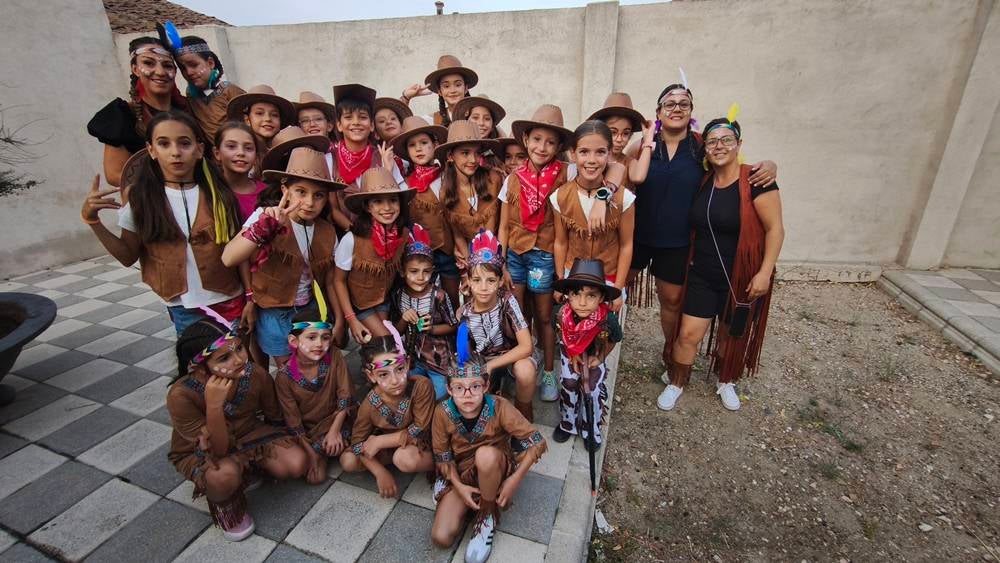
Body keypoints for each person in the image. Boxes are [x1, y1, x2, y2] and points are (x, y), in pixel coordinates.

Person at [628, 82, 777, 379]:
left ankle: (670, 351)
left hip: (677, 241)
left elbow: (732, 165)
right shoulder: (644, 144)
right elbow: (618, 164)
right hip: (636, 237)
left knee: (670, 301)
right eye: (669, 103)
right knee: (612, 289)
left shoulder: (701, 146)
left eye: (684, 104)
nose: (677, 108)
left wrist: (770, 165)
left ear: (691, 111)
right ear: (658, 112)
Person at [658, 111, 784, 412]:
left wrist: (764, 273)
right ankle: (677, 381)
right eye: (712, 141)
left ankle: (726, 380)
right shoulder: (703, 183)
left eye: (726, 140)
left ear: (738, 144)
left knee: (730, 335)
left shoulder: (756, 181)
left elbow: (775, 229)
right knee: (688, 335)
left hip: (741, 275)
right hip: (702, 273)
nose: (718, 146)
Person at [81, 111, 244, 336]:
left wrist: (251, 298)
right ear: (151, 150)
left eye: (184, 143)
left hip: (229, 298)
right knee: (200, 365)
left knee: (237, 360)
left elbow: (241, 251)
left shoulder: (220, 195)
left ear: (199, 150)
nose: (175, 152)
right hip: (182, 305)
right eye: (164, 144)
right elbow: (127, 255)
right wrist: (92, 220)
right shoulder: (142, 200)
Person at [168, 319, 308, 541]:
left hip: (249, 433)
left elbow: (274, 417)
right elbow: (218, 450)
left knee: (295, 464)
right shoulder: (181, 396)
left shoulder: (255, 373)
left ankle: (247, 470)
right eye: (224, 358)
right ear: (200, 369)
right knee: (223, 475)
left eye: (240, 348)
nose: (239, 360)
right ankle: (229, 507)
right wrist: (214, 406)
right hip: (205, 451)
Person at [221, 146, 346, 369]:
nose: (309, 202)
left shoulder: (327, 231)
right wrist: (262, 229)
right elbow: (229, 258)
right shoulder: (265, 217)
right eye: (301, 192)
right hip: (273, 309)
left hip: (309, 308)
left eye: (318, 196)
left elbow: (328, 280)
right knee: (288, 368)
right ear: (284, 190)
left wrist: (338, 318)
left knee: (312, 365)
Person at [430, 350, 547, 562]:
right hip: (464, 471)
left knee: (485, 456)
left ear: (486, 386)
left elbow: (538, 442)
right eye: (459, 387)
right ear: (449, 389)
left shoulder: (499, 406)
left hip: (494, 463)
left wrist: (514, 479)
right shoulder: (442, 412)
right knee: (441, 537)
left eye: (475, 386)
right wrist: (459, 486)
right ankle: (466, 494)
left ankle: (487, 515)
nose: (467, 394)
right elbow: (442, 457)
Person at [500, 104, 573, 403]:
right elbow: (504, 226)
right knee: (518, 314)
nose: (542, 147)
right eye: (537, 139)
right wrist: (499, 262)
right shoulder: (513, 177)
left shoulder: (568, 174)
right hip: (515, 254)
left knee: (544, 316)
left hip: (544, 254)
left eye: (551, 142)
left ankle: (548, 372)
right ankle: (524, 362)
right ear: (526, 139)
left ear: (558, 147)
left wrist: (562, 272)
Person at [341, 328, 436, 498]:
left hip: (419, 442)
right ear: (371, 376)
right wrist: (379, 472)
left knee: (404, 459)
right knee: (348, 461)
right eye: (383, 374)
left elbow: (421, 427)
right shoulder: (370, 403)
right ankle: (388, 464)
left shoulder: (421, 386)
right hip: (388, 448)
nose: (395, 380)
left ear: (407, 364)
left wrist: (381, 441)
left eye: (399, 369)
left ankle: (438, 466)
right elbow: (357, 442)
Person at [552, 120, 633, 310]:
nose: (591, 160)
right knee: (572, 332)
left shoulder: (624, 198)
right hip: (573, 276)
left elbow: (626, 245)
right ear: (573, 154)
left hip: (609, 278)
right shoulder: (561, 196)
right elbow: (561, 242)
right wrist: (560, 279)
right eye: (584, 152)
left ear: (609, 154)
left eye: (600, 152)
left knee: (607, 332)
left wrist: (618, 289)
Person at [87, 37, 188, 187]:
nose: (160, 72)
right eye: (148, 63)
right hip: (149, 205)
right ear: (135, 69)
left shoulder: (189, 110)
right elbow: (116, 174)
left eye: (167, 65)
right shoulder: (122, 115)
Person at [456, 230, 534, 421]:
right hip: (482, 361)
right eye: (477, 280)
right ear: (468, 282)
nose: (483, 287)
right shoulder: (465, 314)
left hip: (511, 356)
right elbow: (464, 356)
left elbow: (526, 346)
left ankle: (523, 415)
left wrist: (490, 365)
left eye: (490, 280)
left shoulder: (507, 301)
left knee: (526, 370)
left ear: (500, 282)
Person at [333, 167, 413, 343]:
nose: (387, 208)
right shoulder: (352, 239)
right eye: (377, 201)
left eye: (393, 200)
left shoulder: (404, 235)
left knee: (376, 345)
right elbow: (338, 280)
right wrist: (351, 319)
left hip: (383, 300)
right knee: (386, 340)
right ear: (368, 207)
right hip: (359, 305)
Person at [275, 309, 355, 484]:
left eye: (325, 337)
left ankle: (332, 445)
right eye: (311, 337)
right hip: (311, 431)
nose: (319, 344)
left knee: (351, 452)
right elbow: (293, 420)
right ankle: (322, 451)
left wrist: (334, 432)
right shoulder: (285, 376)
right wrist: (311, 455)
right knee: (315, 478)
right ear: (294, 341)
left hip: (338, 420)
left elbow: (345, 394)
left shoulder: (333, 355)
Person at [552, 259, 623, 447]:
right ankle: (568, 421)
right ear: (568, 295)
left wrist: (600, 358)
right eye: (576, 294)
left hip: (594, 355)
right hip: (569, 352)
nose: (582, 302)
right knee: (568, 382)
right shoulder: (561, 314)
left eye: (591, 296)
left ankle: (591, 427)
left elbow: (614, 339)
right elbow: (558, 331)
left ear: (601, 298)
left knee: (591, 389)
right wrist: (572, 352)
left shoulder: (607, 319)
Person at [389, 116, 459, 306]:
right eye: (412, 145)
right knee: (422, 302)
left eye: (424, 143)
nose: (419, 148)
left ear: (435, 144)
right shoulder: (406, 183)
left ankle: (455, 335)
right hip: (420, 254)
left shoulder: (448, 175)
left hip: (449, 250)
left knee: (453, 302)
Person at [390, 224, 458, 400]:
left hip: (438, 361)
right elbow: (395, 332)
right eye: (413, 271)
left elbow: (454, 325)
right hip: (412, 359)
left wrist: (432, 329)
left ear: (433, 271)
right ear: (402, 271)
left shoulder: (439, 296)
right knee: (405, 392)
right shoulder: (399, 295)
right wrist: (404, 319)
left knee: (439, 394)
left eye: (426, 271)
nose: (420, 277)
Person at [156, 24, 245, 147]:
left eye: (193, 65)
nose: (189, 72)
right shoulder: (191, 96)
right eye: (183, 68)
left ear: (210, 63)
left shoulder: (229, 91)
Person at [436, 120, 504, 275]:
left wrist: (490, 264)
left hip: (497, 256)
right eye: (465, 153)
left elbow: (495, 228)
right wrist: (472, 266)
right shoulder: (446, 193)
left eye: (477, 153)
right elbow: (457, 234)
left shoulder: (493, 179)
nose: (473, 160)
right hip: (470, 259)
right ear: (450, 156)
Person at [327, 83, 384, 232]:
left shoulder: (383, 157)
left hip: (382, 231)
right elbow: (333, 208)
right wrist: (355, 233)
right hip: (345, 234)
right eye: (348, 117)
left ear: (371, 125)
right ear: (339, 125)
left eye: (363, 117)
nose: (356, 122)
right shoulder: (329, 159)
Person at [585, 92, 645, 188]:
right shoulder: (590, 159)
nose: (619, 139)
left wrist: (648, 140)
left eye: (625, 133)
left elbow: (638, 177)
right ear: (601, 131)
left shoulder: (630, 163)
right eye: (613, 132)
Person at [402, 54, 478, 126]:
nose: (452, 90)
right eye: (446, 86)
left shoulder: (479, 115)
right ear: (439, 91)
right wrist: (406, 97)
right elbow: (403, 127)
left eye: (458, 85)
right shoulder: (432, 120)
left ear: (466, 88)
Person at [213, 122, 264, 221]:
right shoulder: (209, 191)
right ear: (217, 153)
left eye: (248, 148)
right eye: (231, 146)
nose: (241, 153)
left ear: (256, 157)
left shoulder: (266, 193)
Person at [226, 84, 296, 150]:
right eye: (259, 113)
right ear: (247, 119)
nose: (268, 119)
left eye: (274, 115)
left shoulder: (287, 149)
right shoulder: (240, 151)